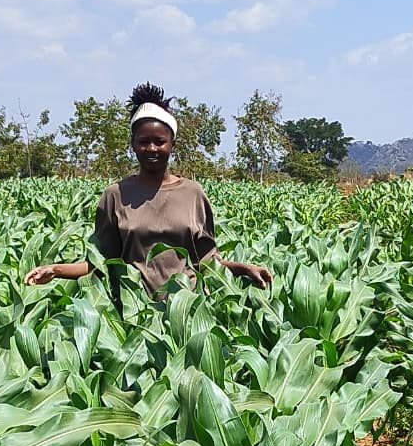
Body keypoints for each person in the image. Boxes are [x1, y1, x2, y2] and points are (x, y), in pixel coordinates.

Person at [24, 84, 272, 295]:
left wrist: (243, 269)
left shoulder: (193, 194)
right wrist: (55, 270)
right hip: (133, 317)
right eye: (144, 142)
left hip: (186, 313)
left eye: (159, 141)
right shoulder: (115, 195)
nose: (151, 148)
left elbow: (208, 263)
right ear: (132, 144)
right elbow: (99, 263)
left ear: (172, 144)